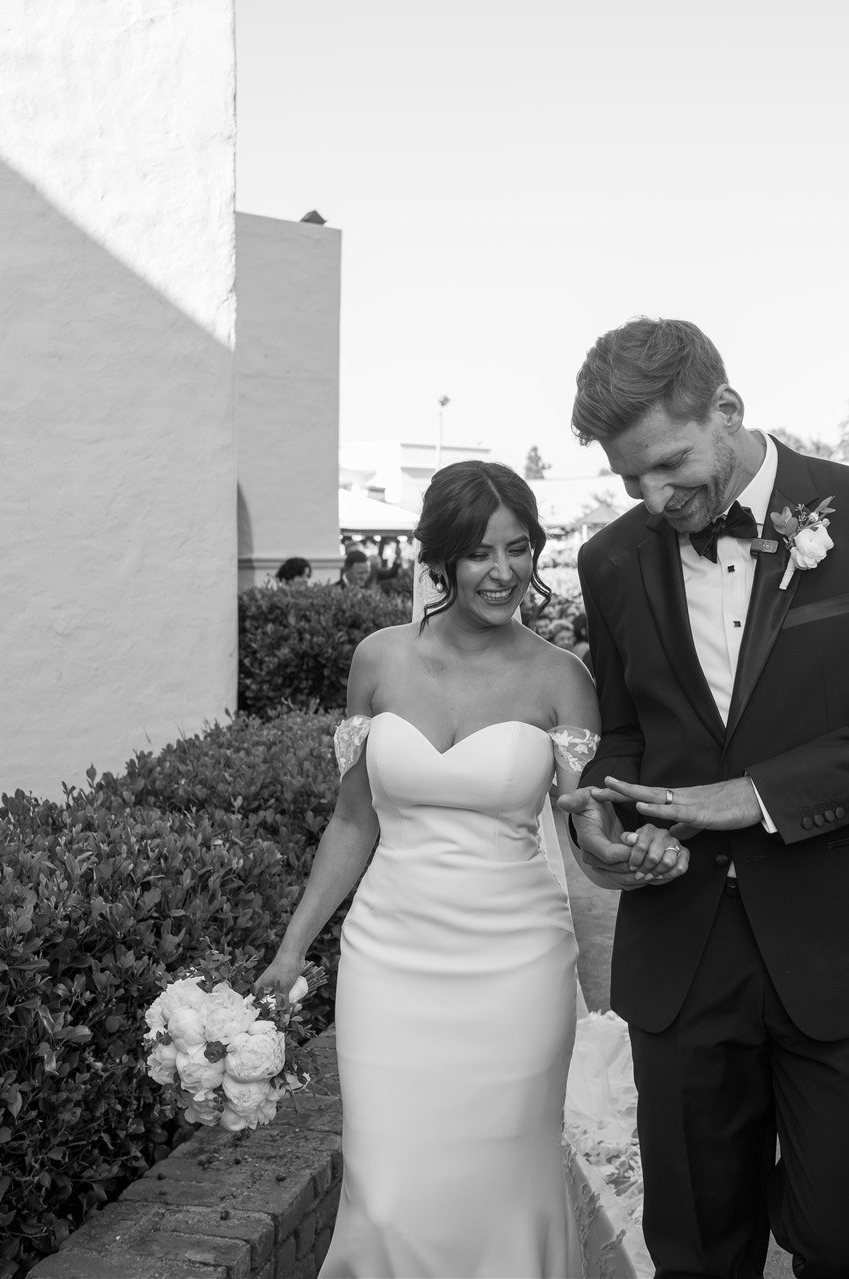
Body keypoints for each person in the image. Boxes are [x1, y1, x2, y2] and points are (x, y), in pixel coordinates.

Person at [557, 318, 849, 1279]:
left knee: (848, 1241)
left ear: (729, 410)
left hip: (846, 949)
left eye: (670, 465)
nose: (653, 497)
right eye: (628, 477)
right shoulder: (611, 561)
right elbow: (630, 735)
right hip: (681, 956)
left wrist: (757, 794)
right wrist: (600, 819)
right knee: (693, 1247)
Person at [253, 460, 662, 1278]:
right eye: (480, 552)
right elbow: (352, 817)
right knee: (390, 1186)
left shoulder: (562, 680)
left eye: (520, 547)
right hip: (388, 961)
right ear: (441, 558)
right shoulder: (377, 660)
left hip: (516, 965)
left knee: (504, 1182)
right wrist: (293, 948)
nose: (504, 570)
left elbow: (587, 830)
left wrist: (617, 854)